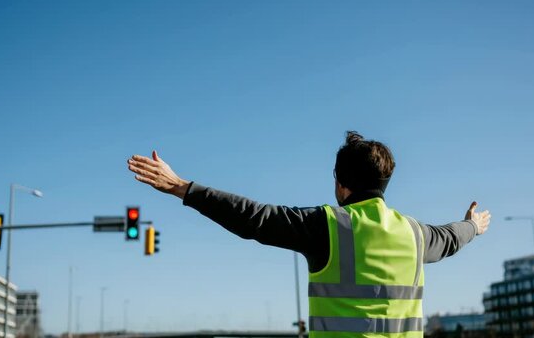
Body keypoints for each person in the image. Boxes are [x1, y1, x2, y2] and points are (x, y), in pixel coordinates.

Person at [127, 131, 491, 338]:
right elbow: (452, 237)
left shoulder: (328, 226)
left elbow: (253, 218)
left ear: (340, 182)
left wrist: (183, 188)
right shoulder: (416, 234)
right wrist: (474, 225)